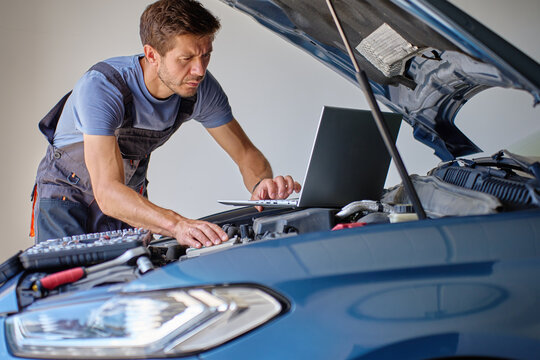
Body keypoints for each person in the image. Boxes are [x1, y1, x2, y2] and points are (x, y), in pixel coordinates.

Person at [31, 0, 300, 249]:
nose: (200, 70)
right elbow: (108, 191)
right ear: (152, 54)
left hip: (128, 201)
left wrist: (262, 186)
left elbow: (246, 154)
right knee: (70, 291)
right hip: (67, 201)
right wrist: (177, 224)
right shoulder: (103, 88)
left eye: (206, 55)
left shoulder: (200, 89)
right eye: (187, 59)